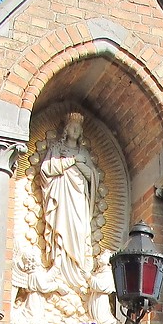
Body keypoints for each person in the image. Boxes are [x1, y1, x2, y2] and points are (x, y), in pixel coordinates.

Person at [38, 112, 99, 291]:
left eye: (78, 128)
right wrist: (71, 161)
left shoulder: (84, 153)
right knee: (61, 225)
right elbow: (47, 169)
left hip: (79, 195)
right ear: (66, 129)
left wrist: (78, 163)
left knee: (79, 230)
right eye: (72, 126)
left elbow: (91, 176)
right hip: (62, 194)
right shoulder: (57, 148)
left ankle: (79, 269)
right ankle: (58, 265)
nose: (75, 129)